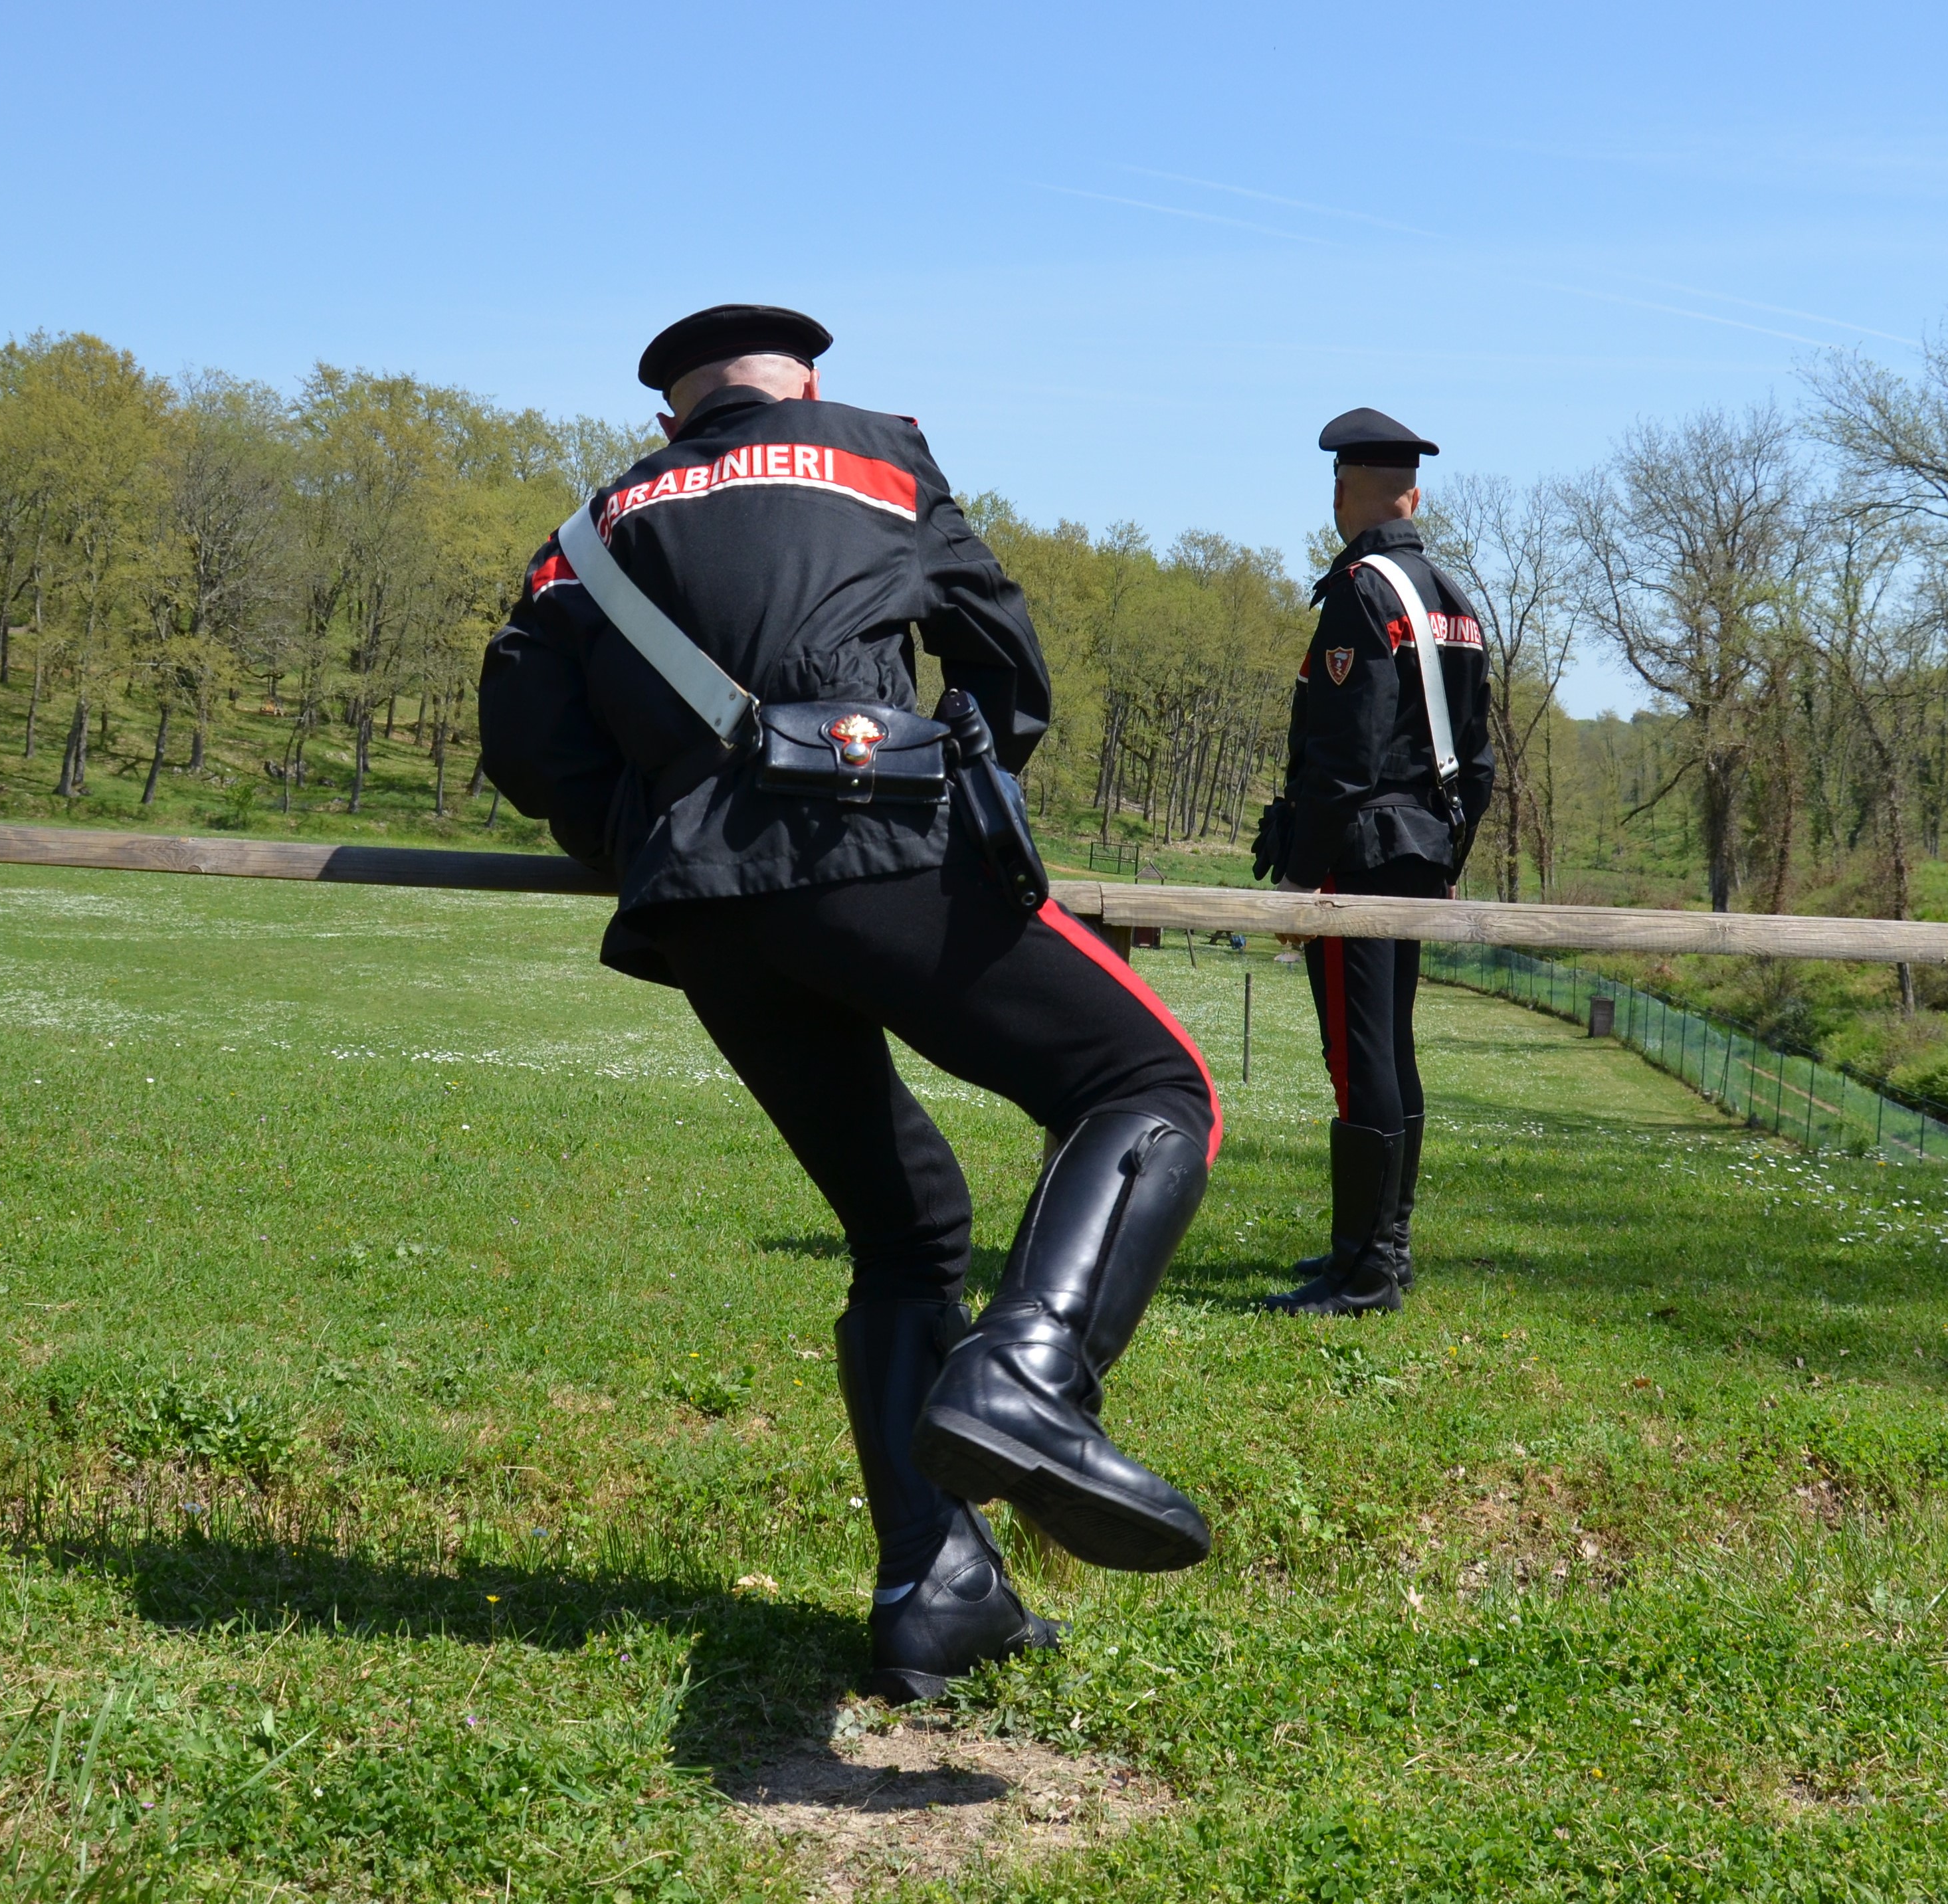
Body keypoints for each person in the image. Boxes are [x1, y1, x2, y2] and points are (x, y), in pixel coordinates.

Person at [478, 305, 1225, 1703]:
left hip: (702, 909)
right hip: (877, 846)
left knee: (907, 1226)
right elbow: (1004, 663)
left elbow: (522, 738)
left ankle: (933, 1586)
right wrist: (966, 788)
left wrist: (651, 834)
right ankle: (1034, 1370)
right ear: (807, 385)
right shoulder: (878, 457)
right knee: (1149, 1085)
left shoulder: (588, 530)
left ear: (670, 418)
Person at [1250, 408, 1494, 1316]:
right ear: (1414, 494)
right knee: (1390, 1047)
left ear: (1346, 491)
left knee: (1359, 1057)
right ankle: (1381, 1252)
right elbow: (1477, 762)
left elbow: (1343, 757)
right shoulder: (1451, 595)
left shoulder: (1361, 589)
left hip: (1358, 855)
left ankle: (1365, 1271)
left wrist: (1299, 874)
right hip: (1420, 850)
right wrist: (1446, 853)